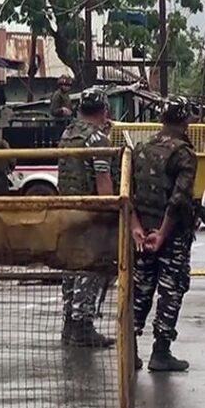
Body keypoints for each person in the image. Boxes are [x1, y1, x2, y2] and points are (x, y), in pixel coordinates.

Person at [130, 96, 197, 372]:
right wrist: (163, 233)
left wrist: (136, 228)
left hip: (142, 234)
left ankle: (130, 350)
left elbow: (128, 193)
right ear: (185, 120)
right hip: (171, 236)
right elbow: (179, 199)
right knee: (171, 289)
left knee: (140, 289)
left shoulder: (141, 148)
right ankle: (161, 351)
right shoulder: (183, 153)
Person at [57, 88, 116, 348]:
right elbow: (103, 179)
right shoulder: (97, 139)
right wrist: (110, 212)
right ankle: (83, 326)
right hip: (90, 212)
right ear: (104, 111)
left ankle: (70, 324)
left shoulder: (68, 134)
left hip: (66, 210)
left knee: (70, 267)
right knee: (89, 268)